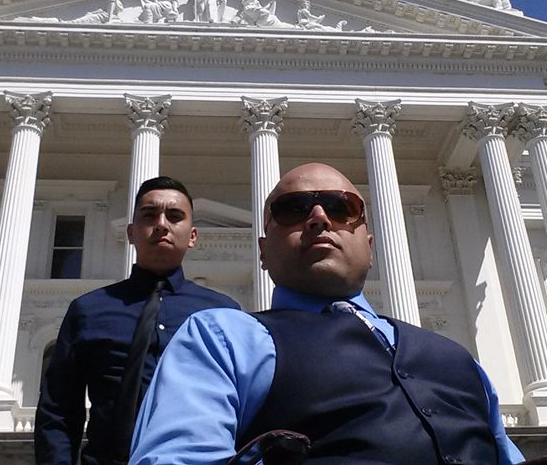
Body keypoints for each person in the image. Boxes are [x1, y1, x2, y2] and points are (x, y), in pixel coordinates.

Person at [129, 162, 524, 464]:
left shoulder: (459, 361)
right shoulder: (222, 338)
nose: (319, 217)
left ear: (369, 245)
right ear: (263, 251)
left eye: (341, 208)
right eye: (293, 209)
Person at [34, 176, 240, 465]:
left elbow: (243, 406)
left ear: (192, 236)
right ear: (131, 232)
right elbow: (58, 410)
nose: (162, 224)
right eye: (149, 214)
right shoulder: (88, 311)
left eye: (175, 216)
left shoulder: (224, 313)